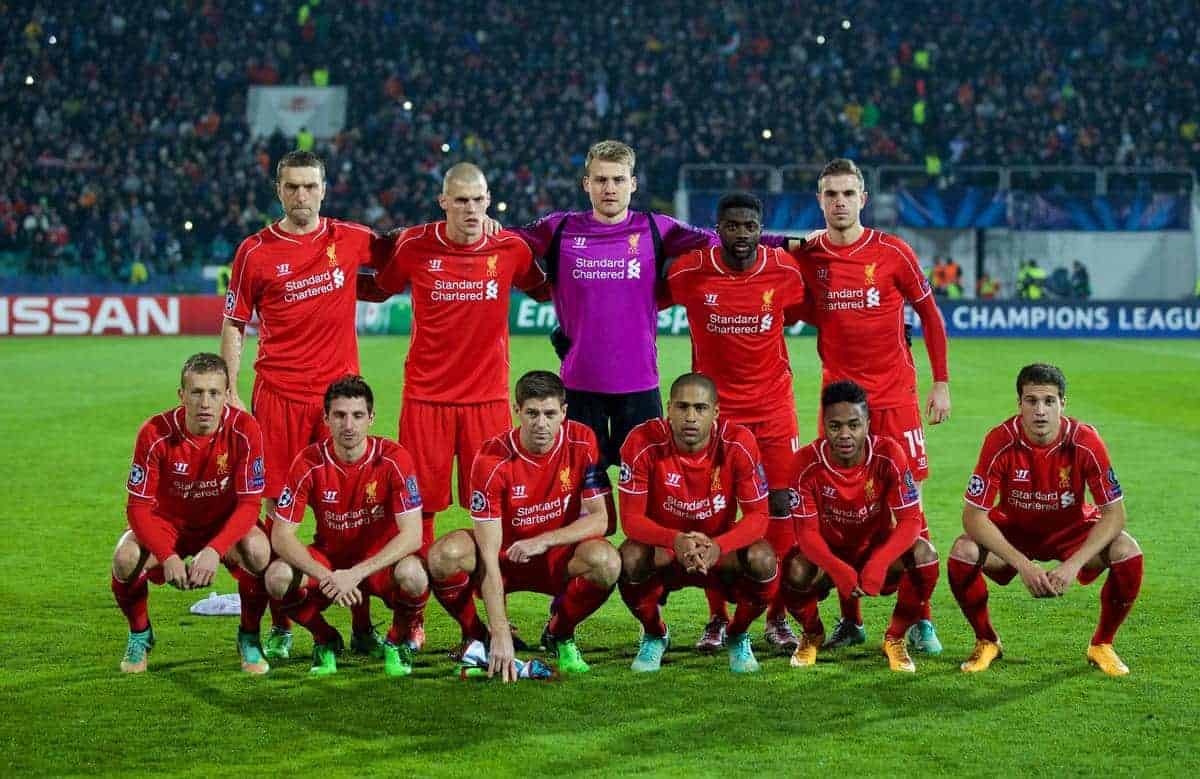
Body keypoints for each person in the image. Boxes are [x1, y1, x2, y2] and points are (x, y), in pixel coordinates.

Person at [512, 140, 793, 471]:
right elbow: (506, 247)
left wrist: (790, 242)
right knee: (582, 496)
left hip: (639, 385)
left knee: (645, 492)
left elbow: (722, 239)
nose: (609, 189)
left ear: (633, 183)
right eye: (600, 180)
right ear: (586, 183)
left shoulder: (656, 228)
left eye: (618, 179)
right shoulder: (559, 228)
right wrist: (540, 289)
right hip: (579, 385)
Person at [359, 164, 547, 650]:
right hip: (426, 401)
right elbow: (378, 287)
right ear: (443, 201)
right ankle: (412, 616)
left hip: (486, 402)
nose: (470, 209)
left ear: (490, 201)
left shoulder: (510, 250)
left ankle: (490, 619)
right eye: (460, 200)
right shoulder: (415, 247)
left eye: (478, 200)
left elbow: (546, 284)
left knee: (492, 516)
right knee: (418, 513)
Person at [221, 150, 392, 660]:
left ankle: (362, 626)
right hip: (277, 399)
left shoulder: (351, 238)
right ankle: (284, 623)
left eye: (310, 186)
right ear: (279, 190)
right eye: (292, 187)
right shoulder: (255, 252)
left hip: (339, 403)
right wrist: (230, 390)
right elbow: (235, 323)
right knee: (280, 518)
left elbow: (405, 260)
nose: (302, 196)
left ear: (324, 188)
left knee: (356, 513)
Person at [793, 157, 950, 654]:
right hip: (838, 403)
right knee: (838, 508)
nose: (839, 202)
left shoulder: (892, 252)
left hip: (893, 398)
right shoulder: (809, 254)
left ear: (863, 199)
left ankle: (920, 617)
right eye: (830, 194)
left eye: (847, 193)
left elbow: (929, 312)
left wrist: (940, 382)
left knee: (912, 507)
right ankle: (851, 619)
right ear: (819, 201)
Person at [663, 191, 807, 654]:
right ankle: (716, 619)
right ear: (717, 228)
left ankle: (777, 617)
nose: (741, 235)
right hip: (717, 412)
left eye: (750, 226)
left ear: (759, 228)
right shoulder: (689, 272)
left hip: (773, 408)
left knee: (781, 504)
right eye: (732, 226)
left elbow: (816, 307)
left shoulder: (784, 271)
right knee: (714, 510)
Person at [426, 371, 620, 682]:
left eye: (549, 414)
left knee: (607, 562)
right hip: (504, 558)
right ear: (517, 411)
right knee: (443, 556)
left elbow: (603, 519)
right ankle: (479, 636)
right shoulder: (491, 459)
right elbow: (488, 554)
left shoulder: (583, 442)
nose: (541, 424)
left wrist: (544, 540)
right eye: (531, 413)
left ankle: (560, 633)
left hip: (557, 556)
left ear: (563, 413)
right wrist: (500, 629)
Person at [949, 363, 1141, 676]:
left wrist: (1074, 564)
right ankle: (987, 640)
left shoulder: (1085, 441)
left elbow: (1114, 514)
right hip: (1014, 534)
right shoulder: (1000, 440)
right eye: (1032, 401)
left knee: (1127, 550)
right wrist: (1023, 564)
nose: (1040, 411)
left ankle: (1102, 644)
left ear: (1063, 404)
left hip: (1071, 533)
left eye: (1049, 401)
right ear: (1019, 404)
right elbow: (973, 516)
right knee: (963, 552)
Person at [111, 353, 271, 674]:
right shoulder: (154, 433)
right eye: (196, 392)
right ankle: (140, 634)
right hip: (168, 525)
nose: (205, 403)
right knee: (125, 558)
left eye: (214, 393)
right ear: (181, 395)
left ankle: (249, 636)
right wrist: (167, 555)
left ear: (227, 395)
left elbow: (250, 504)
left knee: (259, 550)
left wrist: (215, 549)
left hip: (221, 525)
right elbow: (138, 508)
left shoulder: (245, 429)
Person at [265, 376, 426, 677]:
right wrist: (328, 576)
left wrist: (355, 574)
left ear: (371, 418)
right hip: (330, 561)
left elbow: (413, 535)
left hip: (377, 564)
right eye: (339, 415)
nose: (348, 425)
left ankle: (395, 640)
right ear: (326, 418)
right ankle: (325, 638)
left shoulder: (394, 459)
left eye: (357, 415)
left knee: (414, 575)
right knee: (277, 577)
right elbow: (281, 536)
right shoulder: (308, 462)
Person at [617, 373, 778, 674]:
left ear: (715, 412)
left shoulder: (738, 443)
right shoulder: (641, 442)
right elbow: (631, 520)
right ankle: (654, 634)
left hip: (718, 549)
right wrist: (675, 540)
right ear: (668, 409)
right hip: (666, 549)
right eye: (682, 407)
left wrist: (720, 545)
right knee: (629, 558)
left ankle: (737, 634)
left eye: (700, 408)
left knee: (763, 558)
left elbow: (759, 516)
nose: (691, 417)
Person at [782, 381, 939, 673]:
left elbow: (911, 520)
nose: (844, 434)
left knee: (925, 556)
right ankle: (813, 633)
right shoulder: (805, 463)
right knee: (792, 569)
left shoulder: (889, 454)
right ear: (824, 424)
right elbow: (806, 534)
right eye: (835, 425)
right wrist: (838, 569)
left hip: (874, 553)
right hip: (827, 559)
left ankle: (895, 637)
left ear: (867, 423)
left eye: (854, 425)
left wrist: (878, 563)